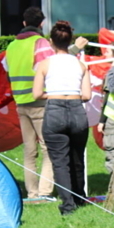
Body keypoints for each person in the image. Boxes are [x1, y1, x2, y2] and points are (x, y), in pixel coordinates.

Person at [32, 21, 91, 217]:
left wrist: (54, 94)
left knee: (59, 161)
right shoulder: (81, 65)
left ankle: (67, 205)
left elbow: (37, 93)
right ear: (70, 41)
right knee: (77, 158)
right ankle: (79, 197)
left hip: (55, 111)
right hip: (77, 111)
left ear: (51, 42)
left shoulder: (45, 64)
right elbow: (87, 95)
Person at [5, 7, 57, 201]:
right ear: (41, 24)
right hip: (39, 102)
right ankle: (44, 192)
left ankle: (32, 193)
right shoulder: (40, 42)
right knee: (48, 149)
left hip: (20, 103)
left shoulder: (11, 46)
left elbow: (6, 69)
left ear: (24, 23)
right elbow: (52, 67)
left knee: (29, 151)